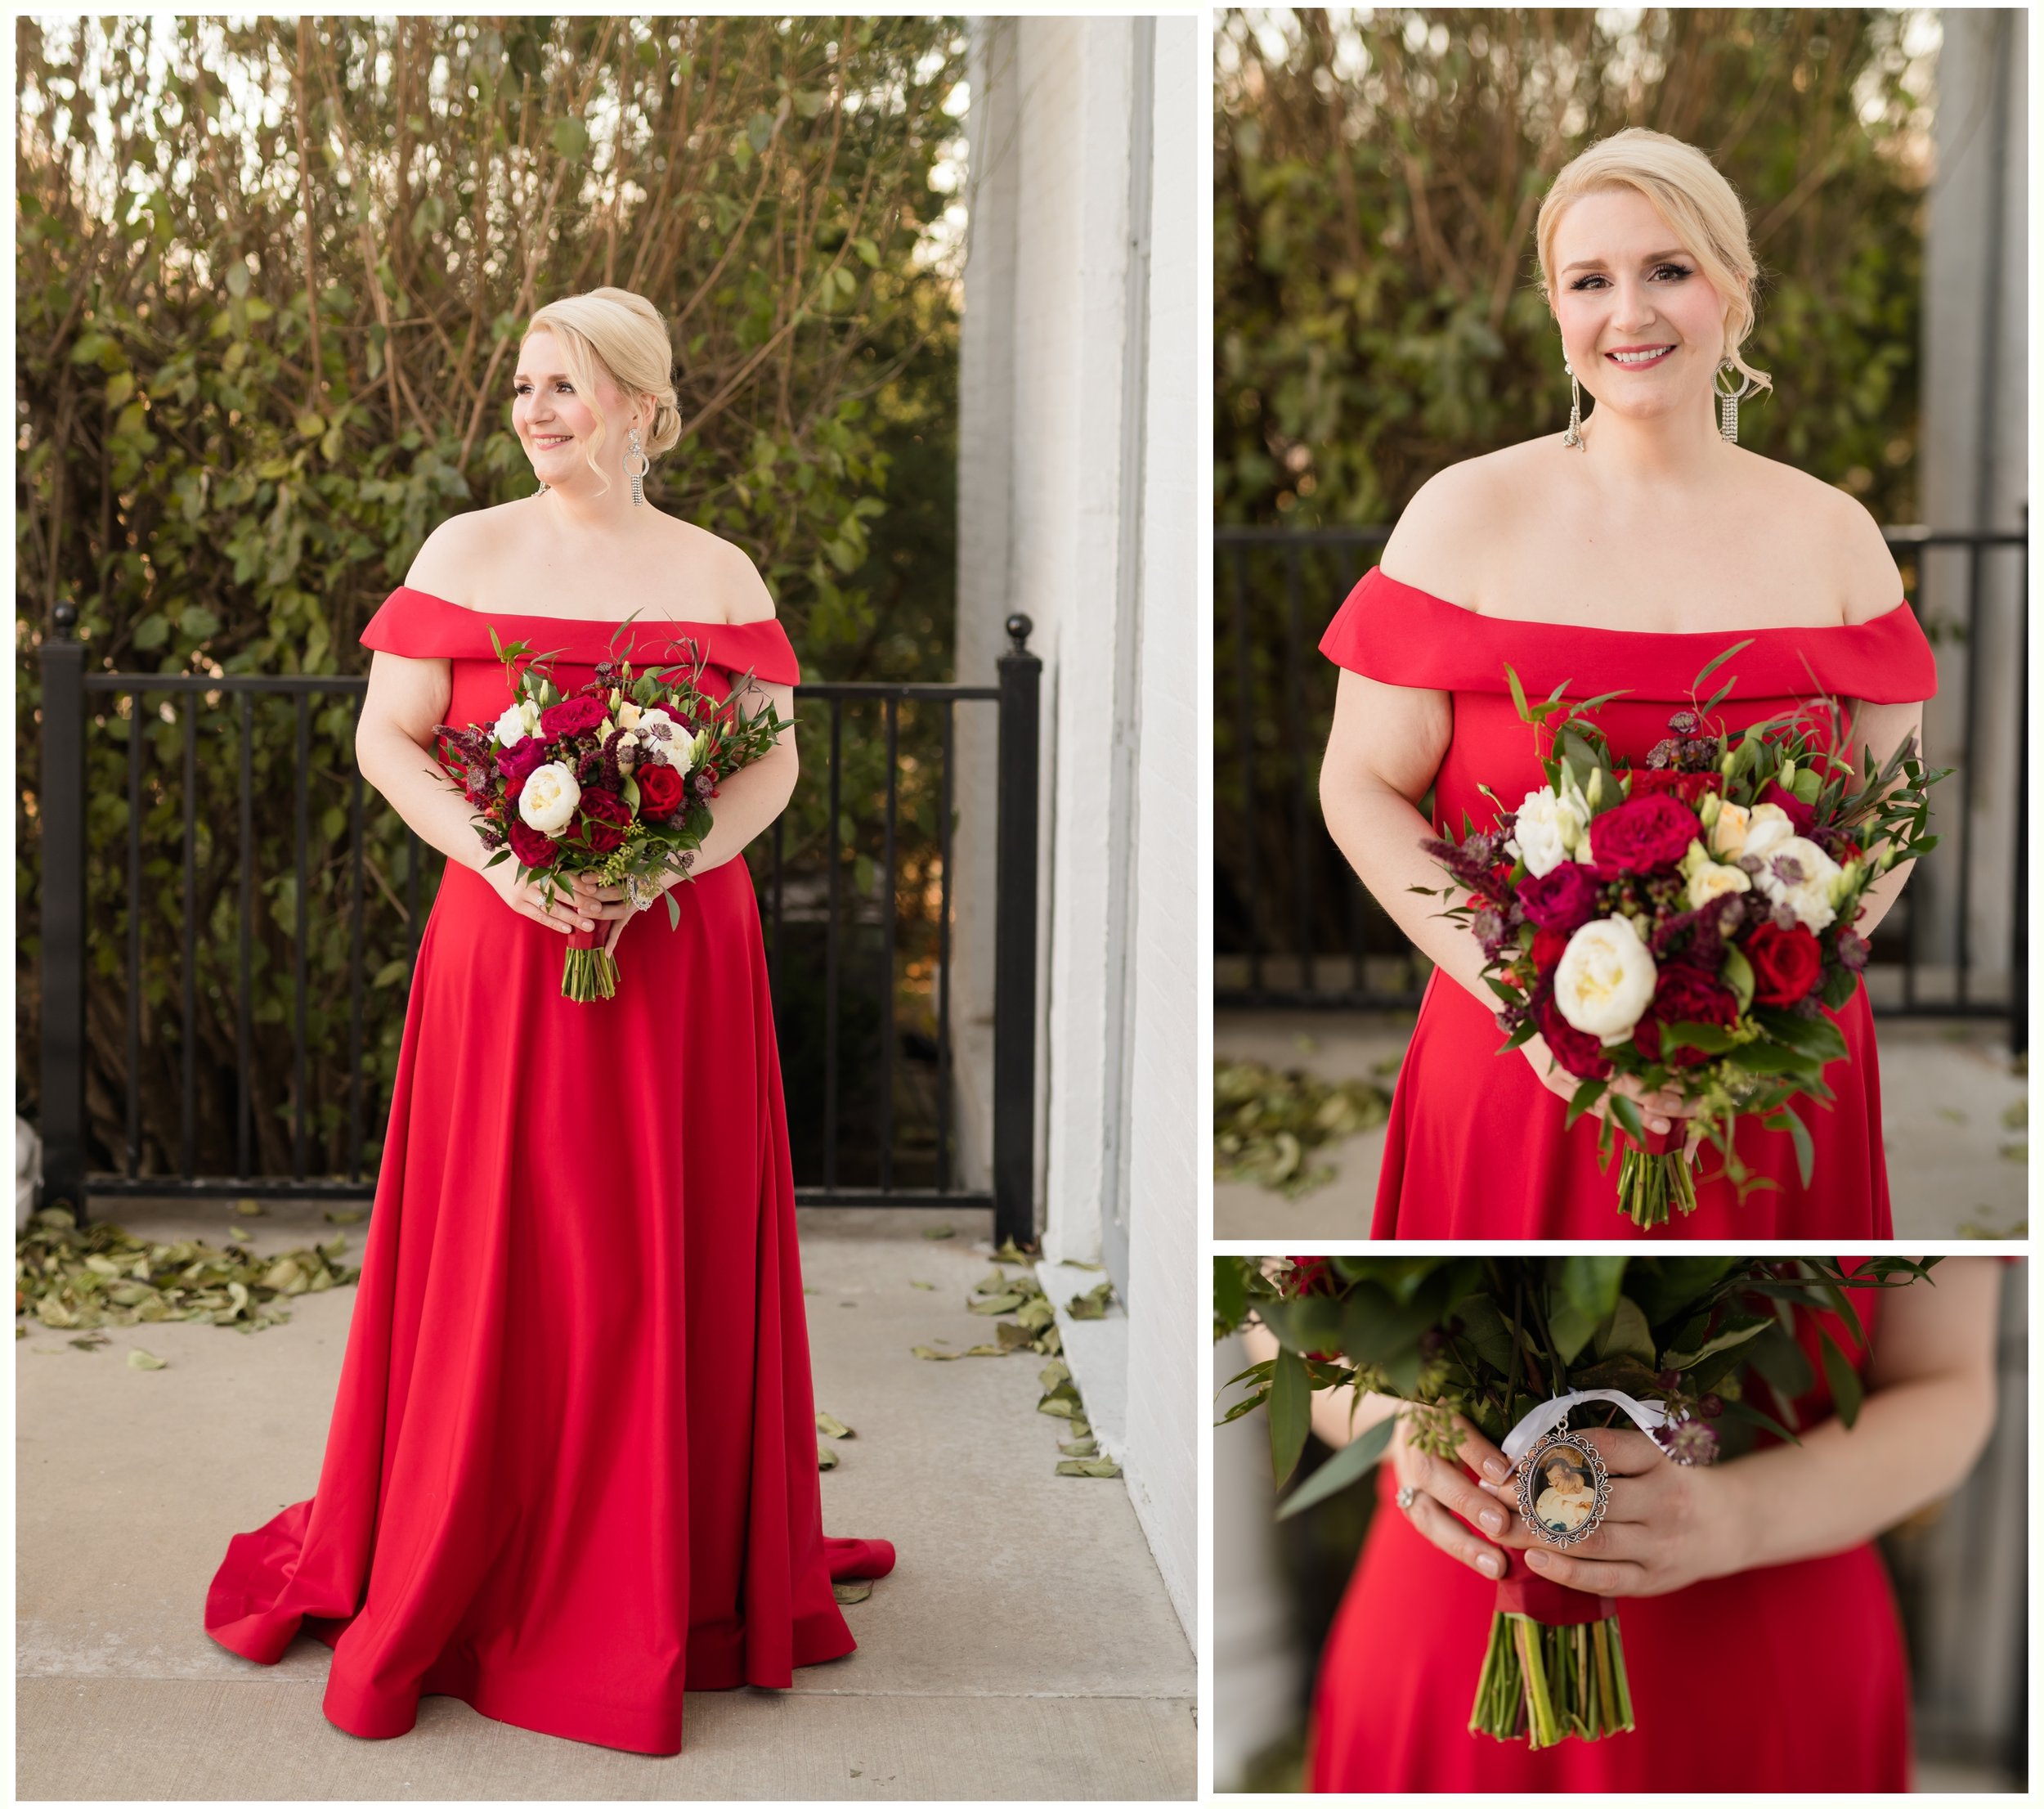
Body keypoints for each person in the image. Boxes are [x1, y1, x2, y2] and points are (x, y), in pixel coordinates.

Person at [203, 287, 894, 1755]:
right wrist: (516, 863)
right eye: (524, 385)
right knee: (506, 1253)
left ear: (642, 404)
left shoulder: (714, 572)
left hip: (678, 954)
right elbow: (385, 736)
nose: (534, 411)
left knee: (657, 1253)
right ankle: (475, 1537)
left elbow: (766, 770)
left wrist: (659, 862)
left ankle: (671, 1560)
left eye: (566, 386)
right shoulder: (463, 552)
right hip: (503, 946)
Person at [1316, 129, 1936, 1237]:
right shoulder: (1462, 519)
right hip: (1514, 1062)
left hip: (1771, 1071)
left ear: (1733, 291)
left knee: (1754, 1406)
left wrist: (1776, 1002)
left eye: (1669, 270)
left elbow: (1893, 806)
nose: (1631, 313)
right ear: (1556, 309)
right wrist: (1529, 1002)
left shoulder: (1837, 536)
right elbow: (1360, 784)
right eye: (1591, 281)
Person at [1248, 1258, 2000, 1790]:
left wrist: (1731, 1519)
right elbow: (1276, 1315)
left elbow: (1948, 1382)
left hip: (1764, 1642)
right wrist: (1408, 1426)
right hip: (1451, 1617)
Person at [1532, 1456, 1594, 1535]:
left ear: (1567, 1471)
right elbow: (1538, 1518)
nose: (1555, 1483)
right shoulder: (1547, 1494)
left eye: (1557, 1477)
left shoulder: (1589, 1493)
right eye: (1551, 1481)